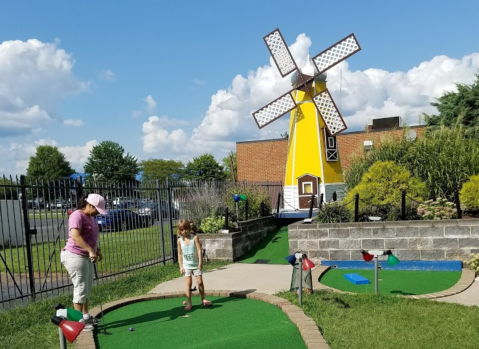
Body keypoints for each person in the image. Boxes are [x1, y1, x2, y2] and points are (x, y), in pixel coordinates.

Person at [60, 193, 107, 331]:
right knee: (80, 288)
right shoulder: (77, 215)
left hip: (85, 255)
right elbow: (75, 236)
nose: (98, 213)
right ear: (89, 205)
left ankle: (85, 316)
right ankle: (78, 321)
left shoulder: (90, 217)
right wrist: (90, 250)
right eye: (97, 209)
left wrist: (95, 249)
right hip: (74, 256)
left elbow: (90, 236)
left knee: (87, 287)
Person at [177, 219, 212, 310]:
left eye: (186, 229)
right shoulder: (179, 241)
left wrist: (200, 262)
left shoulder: (194, 238)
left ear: (189, 228)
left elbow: (199, 250)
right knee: (189, 283)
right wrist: (181, 266)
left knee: (200, 282)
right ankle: (189, 302)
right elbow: (179, 254)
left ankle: (203, 299)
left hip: (196, 264)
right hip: (186, 265)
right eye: (182, 230)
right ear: (179, 230)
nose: (184, 231)